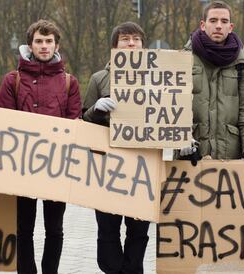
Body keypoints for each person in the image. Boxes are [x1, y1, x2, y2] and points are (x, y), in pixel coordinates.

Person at [0, 19, 81, 274]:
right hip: (21, 165)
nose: (44, 46)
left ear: (56, 45)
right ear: (30, 44)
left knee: (55, 228)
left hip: (56, 165)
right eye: (39, 41)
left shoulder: (69, 82)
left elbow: (74, 121)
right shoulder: (12, 80)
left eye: (48, 41)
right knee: (23, 227)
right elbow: (4, 121)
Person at [82, 21, 150, 274]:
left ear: (143, 45)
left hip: (143, 165)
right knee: (108, 227)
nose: (131, 43)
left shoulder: (158, 77)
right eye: (125, 39)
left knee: (139, 229)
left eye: (136, 39)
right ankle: (112, 270)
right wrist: (96, 109)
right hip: (107, 166)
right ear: (115, 46)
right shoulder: (99, 78)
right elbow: (84, 121)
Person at [180, 0, 244, 164]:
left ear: (231, 27)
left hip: (230, 156)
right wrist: (182, 141)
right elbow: (174, 106)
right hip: (190, 155)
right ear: (203, 25)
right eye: (213, 20)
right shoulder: (183, 58)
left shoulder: (242, 64)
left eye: (224, 21)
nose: (218, 26)